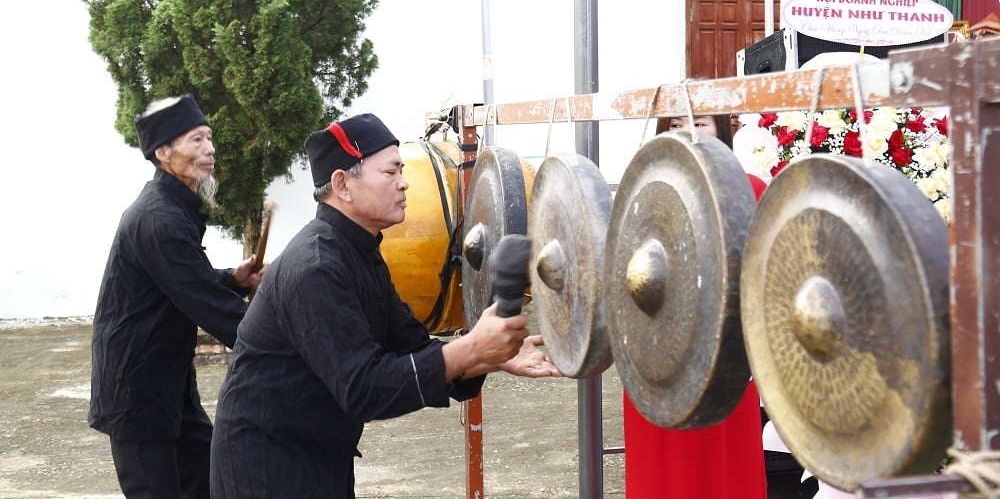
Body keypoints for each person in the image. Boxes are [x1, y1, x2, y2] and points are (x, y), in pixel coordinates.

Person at [209, 112, 561, 498]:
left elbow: (411, 345)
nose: (404, 183)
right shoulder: (317, 267)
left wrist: (488, 356)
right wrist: (471, 348)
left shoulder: (361, 254)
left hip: (316, 454)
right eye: (391, 172)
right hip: (266, 466)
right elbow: (363, 387)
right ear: (343, 184)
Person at [89, 93, 263, 499]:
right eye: (197, 140)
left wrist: (234, 280)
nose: (211, 149)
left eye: (209, 138)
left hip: (168, 383)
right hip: (137, 390)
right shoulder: (158, 218)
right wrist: (285, 345)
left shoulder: (173, 209)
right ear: (163, 152)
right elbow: (210, 307)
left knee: (206, 480)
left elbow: (181, 281)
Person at [622, 113, 768, 498]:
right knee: (662, 478)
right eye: (673, 124)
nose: (685, 129)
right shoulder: (643, 191)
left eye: (699, 121)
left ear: (721, 127)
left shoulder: (750, 189)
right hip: (657, 359)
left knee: (724, 476)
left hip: (724, 360)